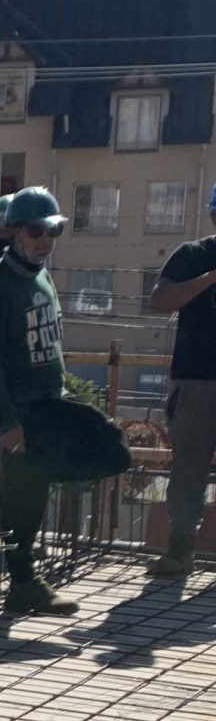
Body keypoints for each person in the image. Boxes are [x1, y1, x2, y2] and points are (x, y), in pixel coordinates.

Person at [0, 186, 77, 615]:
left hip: (48, 405)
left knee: (36, 496)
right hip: (20, 409)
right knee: (18, 497)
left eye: (54, 230)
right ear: (15, 231)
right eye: (36, 230)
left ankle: (26, 575)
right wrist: (7, 420)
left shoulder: (43, 276)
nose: (45, 240)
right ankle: (22, 579)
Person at [147, 183, 216, 579]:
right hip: (195, 382)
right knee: (189, 468)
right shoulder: (192, 256)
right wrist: (209, 278)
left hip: (196, 385)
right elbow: (160, 301)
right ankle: (179, 551)